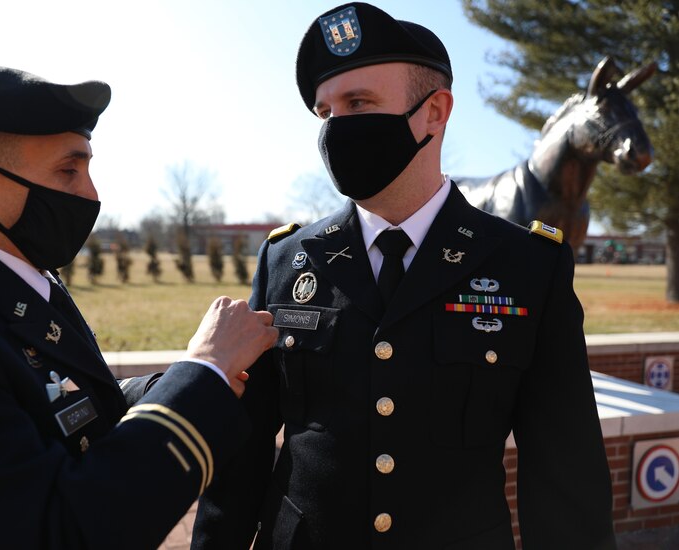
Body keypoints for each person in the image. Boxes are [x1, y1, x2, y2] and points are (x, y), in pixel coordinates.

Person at [192, 3, 615, 549]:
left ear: (435, 112)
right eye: (325, 112)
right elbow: (242, 454)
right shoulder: (287, 258)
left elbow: (565, 468)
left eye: (359, 103)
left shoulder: (527, 264)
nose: (335, 128)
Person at [0, 64, 277, 549]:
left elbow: (71, 411)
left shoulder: (20, 284)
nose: (90, 194)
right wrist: (205, 373)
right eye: (67, 170)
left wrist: (175, 382)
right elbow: (57, 531)